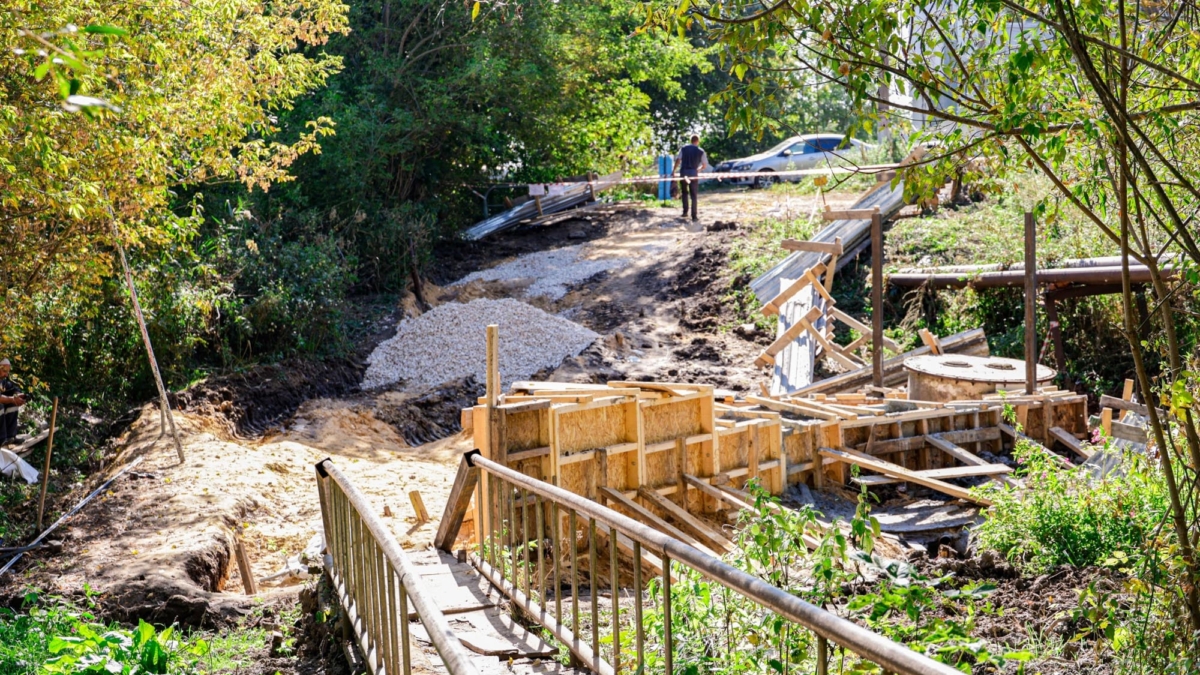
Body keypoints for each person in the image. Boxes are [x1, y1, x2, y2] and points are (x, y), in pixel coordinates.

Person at [675, 135, 709, 221]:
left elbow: (678, 160)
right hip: (693, 173)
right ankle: (694, 216)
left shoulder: (684, 148)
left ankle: (685, 212)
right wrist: (699, 169)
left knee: (684, 193)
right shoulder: (701, 151)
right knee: (694, 195)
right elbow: (705, 164)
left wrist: (673, 170)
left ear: (691, 140)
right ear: (698, 141)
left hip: (684, 173)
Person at [0, 359, 27, 446]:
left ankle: (10, 437)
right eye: (4, 371)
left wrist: (18, 395)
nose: (6, 374)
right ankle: (1, 439)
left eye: (7, 372)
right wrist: (13, 399)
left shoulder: (2, 381)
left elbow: (12, 388)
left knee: (12, 404)